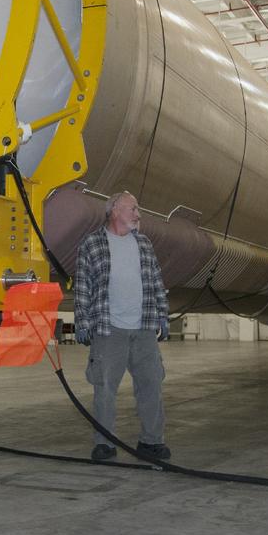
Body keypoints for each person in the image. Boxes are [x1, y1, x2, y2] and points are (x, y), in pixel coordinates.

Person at [72, 191, 170, 462]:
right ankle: (105, 444)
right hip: (108, 329)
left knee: (151, 385)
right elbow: (82, 286)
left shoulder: (144, 244)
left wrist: (163, 314)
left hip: (144, 327)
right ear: (115, 210)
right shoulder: (92, 244)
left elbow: (156, 281)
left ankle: (151, 442)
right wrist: (82, 321)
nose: (138, 215)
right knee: (104, 389)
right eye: (134, 209)